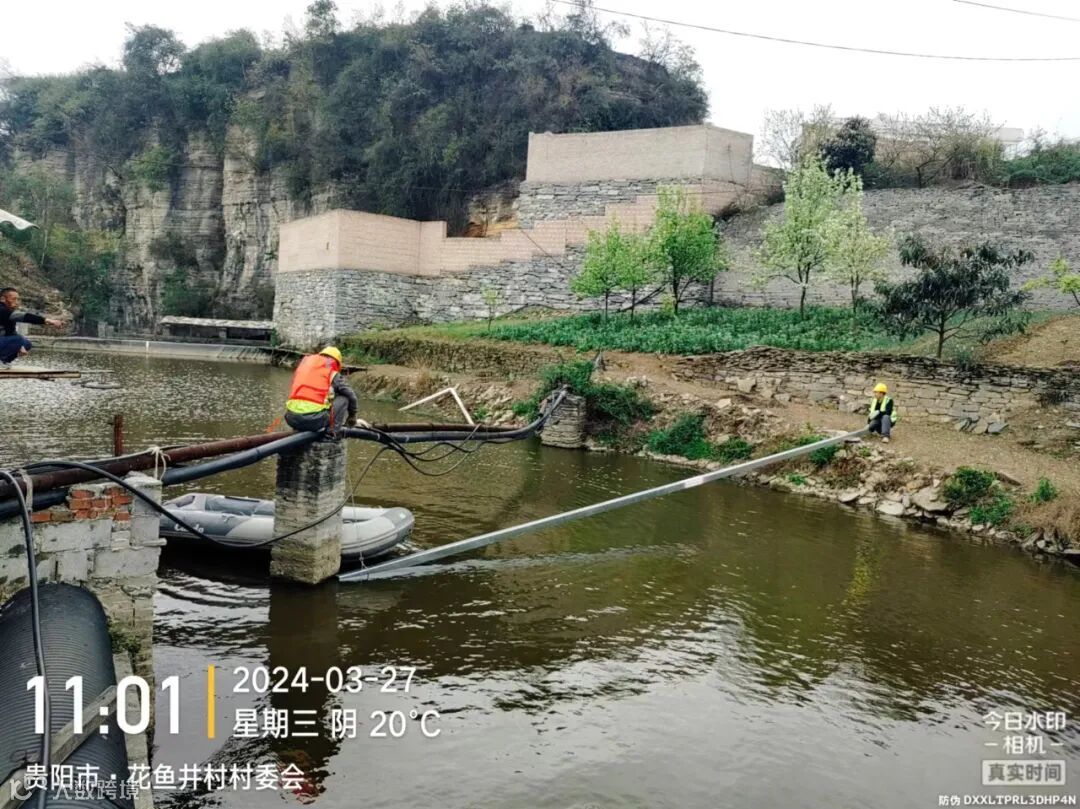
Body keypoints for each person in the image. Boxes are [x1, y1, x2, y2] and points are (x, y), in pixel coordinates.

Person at [283, 346, 363, 437]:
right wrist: (352, 415)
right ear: (337, 363)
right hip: (313, 421)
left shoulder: (303, 369)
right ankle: (332, 434)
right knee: (344, 398)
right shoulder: (332, 373)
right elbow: (351, 396)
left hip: (291, 419)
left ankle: (298, 428)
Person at [0, 287, 64, 365]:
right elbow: (25, 317)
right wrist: (49, 320)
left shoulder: (7, 313)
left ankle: (4, 361)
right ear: (3, 299)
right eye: (13, 299)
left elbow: (10, 332)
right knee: (20, 340)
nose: (17, 302)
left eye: (17, 299)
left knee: (26, 344)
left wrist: (19, 346)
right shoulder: (2, 310)